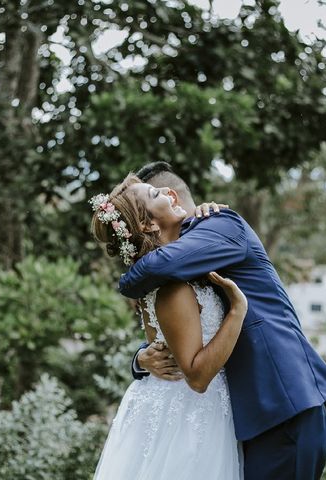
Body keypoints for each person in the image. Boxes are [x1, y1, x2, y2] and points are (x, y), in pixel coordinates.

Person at [122, 161, 326, 480]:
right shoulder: (183, 262)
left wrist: (125, 277)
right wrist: (140, 358)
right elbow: (187, 330)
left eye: (158, 191)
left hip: (281, 404)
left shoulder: (219, 224)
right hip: (236, 419)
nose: (164, 195)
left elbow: (155, 269)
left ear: (173, 193)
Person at [90, 173, 247, 479]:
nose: (169, 192)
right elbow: (197, 377)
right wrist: (237, 312)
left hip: (190, 407)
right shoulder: (172, 288)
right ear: (147, 224)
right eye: (155, 193)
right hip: (187, 413)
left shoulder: (169, 275)